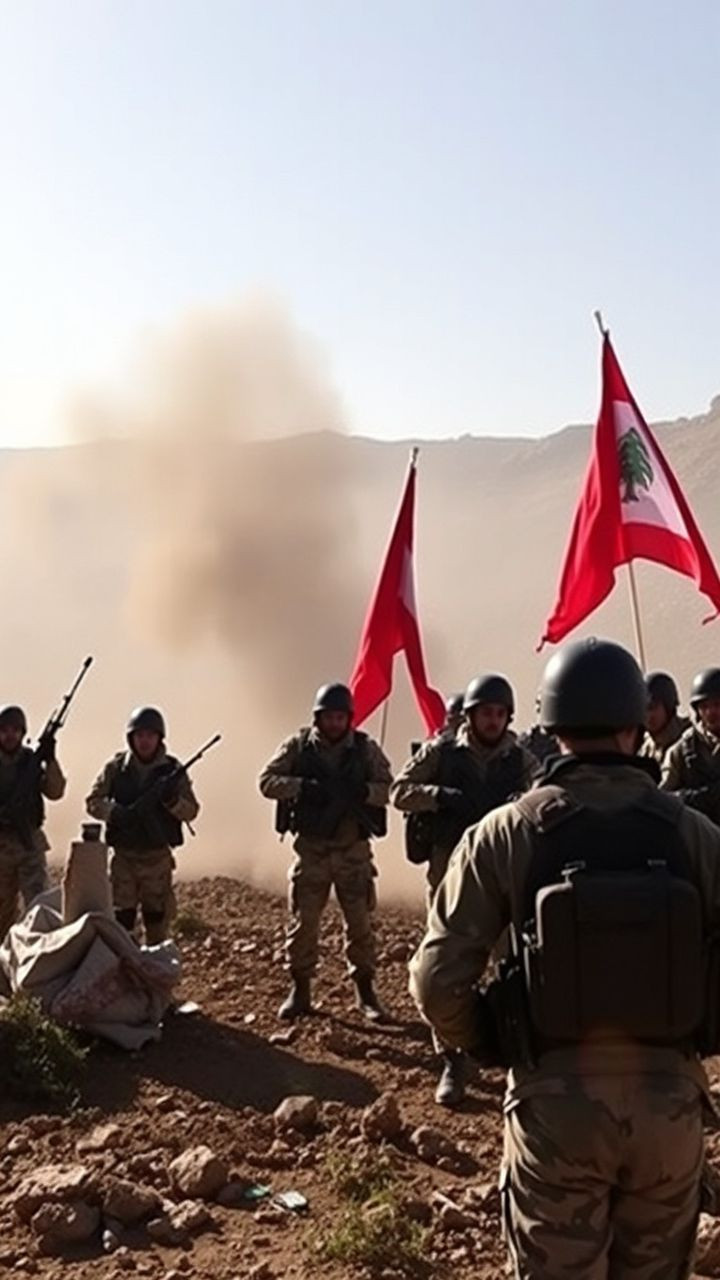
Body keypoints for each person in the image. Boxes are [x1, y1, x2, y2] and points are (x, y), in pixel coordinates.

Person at [410, 637, 720, 1279]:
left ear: (550, 725)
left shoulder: (506, 832)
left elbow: (436, 981)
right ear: (637, 723)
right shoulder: (694, 833)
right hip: (670, 1111)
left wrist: (493, 1040)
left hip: (554, 1108)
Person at [392, 673, 536, 1107]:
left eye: (499, 713)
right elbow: (400, 792)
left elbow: (547, 795)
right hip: (451, 875)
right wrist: (439, 795)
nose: (492, 721)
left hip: (506, 877)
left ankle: (518, 1054)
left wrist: (522, 803)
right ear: (470, 715)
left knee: (515, 967)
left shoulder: (521, 759)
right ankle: (454, 1060)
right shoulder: (442, 752)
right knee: (446, 968)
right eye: (485, 713)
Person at [258, 682, 392, 1022]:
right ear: (318, 718)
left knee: (360, 925)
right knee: (304, 925)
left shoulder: (365, 749)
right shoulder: (299, 746)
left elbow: (389, 789)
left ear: (348, 718)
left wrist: (362, 792)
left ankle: (366, 993)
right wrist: (304, 787)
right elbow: (267, 781)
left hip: (353, 853)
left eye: (340, 717)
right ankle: (300, 990)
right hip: (312, 852)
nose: (334, 723)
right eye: (329, 717)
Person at [86, 706, 199, 943]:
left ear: (159, 738)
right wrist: (115, 813)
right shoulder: (116, 768)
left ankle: (153, 965)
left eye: (150, 735)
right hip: (124, 858)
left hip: (156, 859)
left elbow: (192, 811)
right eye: (139, 735)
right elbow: (93, 801)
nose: (145, 741)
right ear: (131, 738)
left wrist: (173, 801)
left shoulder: (173, 771)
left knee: (156, 922)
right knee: (120, 923)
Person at [0, 705, 66, 940]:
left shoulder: (31, 761)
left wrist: (50, 760)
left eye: (15, 730)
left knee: (39, 907)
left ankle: (39, 956)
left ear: (22, 733)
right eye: (4, 730)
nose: (10, 735)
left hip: (29, 846)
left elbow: (55, 791)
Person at [662, 667, 720, 823]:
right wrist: (698, 798)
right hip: (700, 832)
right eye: (704, 707)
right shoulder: (681, 750)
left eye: (717, 704)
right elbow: (663, 799)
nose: (711, 712)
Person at [639, 671, 689, 765]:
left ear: (668, 707)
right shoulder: (644, 748)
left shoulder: (691, 741)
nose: (648, 715)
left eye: (653, 707)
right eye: (643, 709)